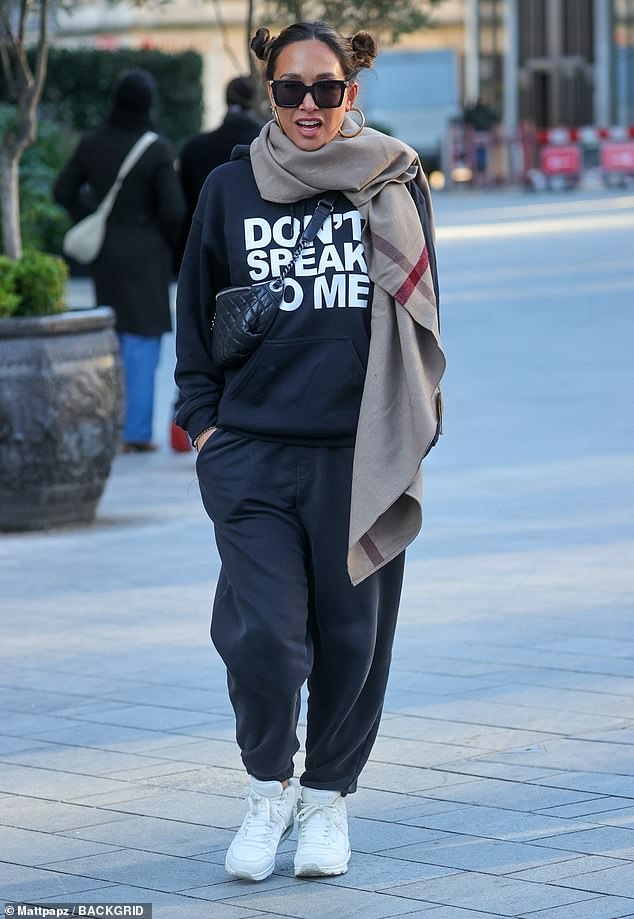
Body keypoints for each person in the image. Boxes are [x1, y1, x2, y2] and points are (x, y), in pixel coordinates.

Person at [174, 20, 445, 882]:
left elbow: (423, 316)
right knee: (264, 642)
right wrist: (207, 424)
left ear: (350, 93)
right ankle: (267, 790)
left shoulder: (387, 181)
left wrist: (411, 428)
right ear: (270, 92)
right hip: (251, 453)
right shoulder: (228, 188)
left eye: (325, 89)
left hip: (356, 454)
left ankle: (328, 801)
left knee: (352, 641)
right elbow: (194, 312)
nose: (308, 106)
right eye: (290, 90)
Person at [54, 68, 186, 453]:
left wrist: (94, 217)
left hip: (106, 254)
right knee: (142, 342)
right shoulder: (157, 148)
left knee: (109, 339)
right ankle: (136, 432)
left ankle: (106, 426)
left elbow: (63, 190)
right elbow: (174, 210)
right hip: (145, 256)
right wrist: (158, 238)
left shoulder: (91, 143)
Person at [178, 75, 265, 235]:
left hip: (202, 240)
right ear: (255, 100)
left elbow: (179, 208)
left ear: (226, 99)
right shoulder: (270, 148)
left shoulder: (194, 148)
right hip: (258, 241)